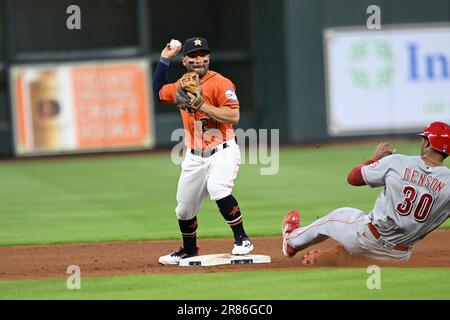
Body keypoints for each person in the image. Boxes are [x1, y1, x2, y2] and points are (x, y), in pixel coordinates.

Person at [282, 121, 450, 264]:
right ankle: (340, 257)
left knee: (337, 216)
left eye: (423, 139)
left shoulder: (398, 161)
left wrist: (375, 159)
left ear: (428, 143)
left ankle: (292, 242)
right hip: (398, 256)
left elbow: (353, 178)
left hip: (365, 238)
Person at [153, 37, 254, 265]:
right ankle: (189, 250)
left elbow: (234, 116)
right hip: (193, 156)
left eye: (203, 55)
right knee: (184, 209)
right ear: (185, 60)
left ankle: (242, 239)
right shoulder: (181, 84)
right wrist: (164, 58)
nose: (200, 60)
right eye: (194, 56)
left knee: (218, 188)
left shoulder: (221, 83)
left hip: (222, 150)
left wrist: (202, 106)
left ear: (208, 58)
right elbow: (159, 91)